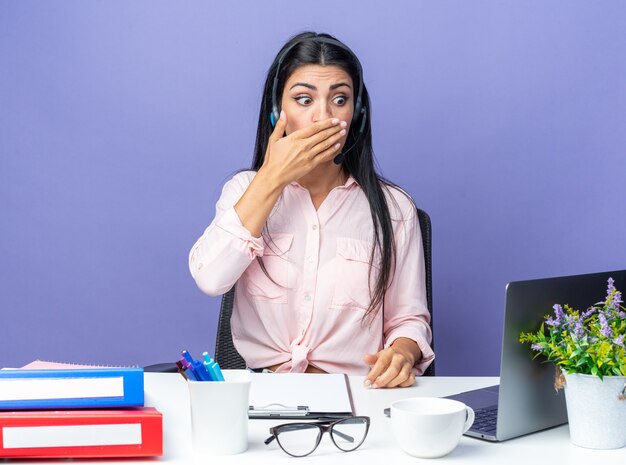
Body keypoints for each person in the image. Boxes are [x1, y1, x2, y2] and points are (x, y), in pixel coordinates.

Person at [189, 31, 434, 388]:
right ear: (278, 111)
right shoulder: (245, 190)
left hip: (356, 396)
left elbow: (409, 320)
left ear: (357, 114)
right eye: (304, 99)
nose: (324, 117)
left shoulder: (394, 208)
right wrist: (272, 177)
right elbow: (210, 278)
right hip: (262, 395)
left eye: (339, 99)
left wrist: (403, 352)